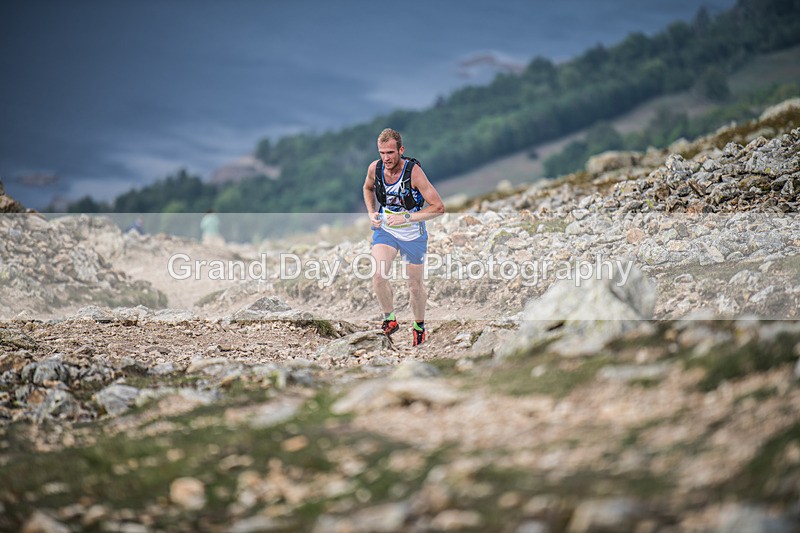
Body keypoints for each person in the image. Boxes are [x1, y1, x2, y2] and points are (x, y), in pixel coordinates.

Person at [363, 128, 445, 346]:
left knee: (415, 286)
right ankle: (390, 319)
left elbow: (438, 207)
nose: (386, 158)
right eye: (382, 153)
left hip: (412, 234)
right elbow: (367, 188)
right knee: (379, 275)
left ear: (401, 150)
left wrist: (407, 217)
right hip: (386, 230)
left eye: (390, 152)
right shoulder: (375, 168)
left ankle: (419, 327)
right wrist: (372, 212)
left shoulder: (413, 172)